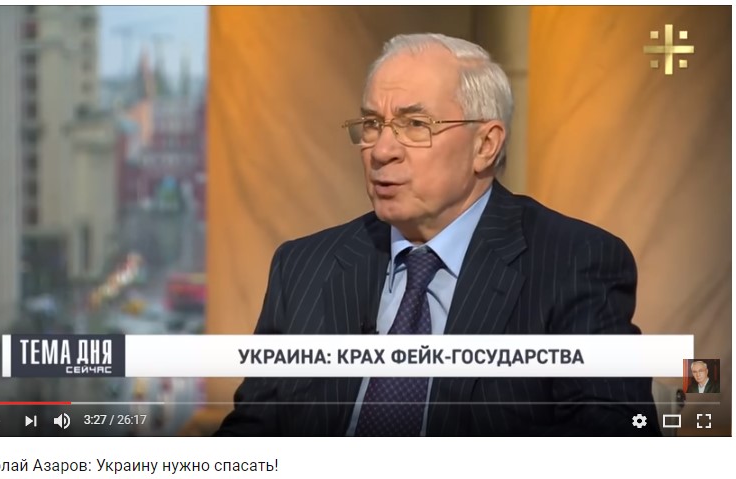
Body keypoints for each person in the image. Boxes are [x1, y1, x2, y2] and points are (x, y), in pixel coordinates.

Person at [216, 33, 659, 436]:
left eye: (415, 125)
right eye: (372, 124)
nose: (381, 151)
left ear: (485, 145)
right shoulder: (303, 268)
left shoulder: (573, 262)